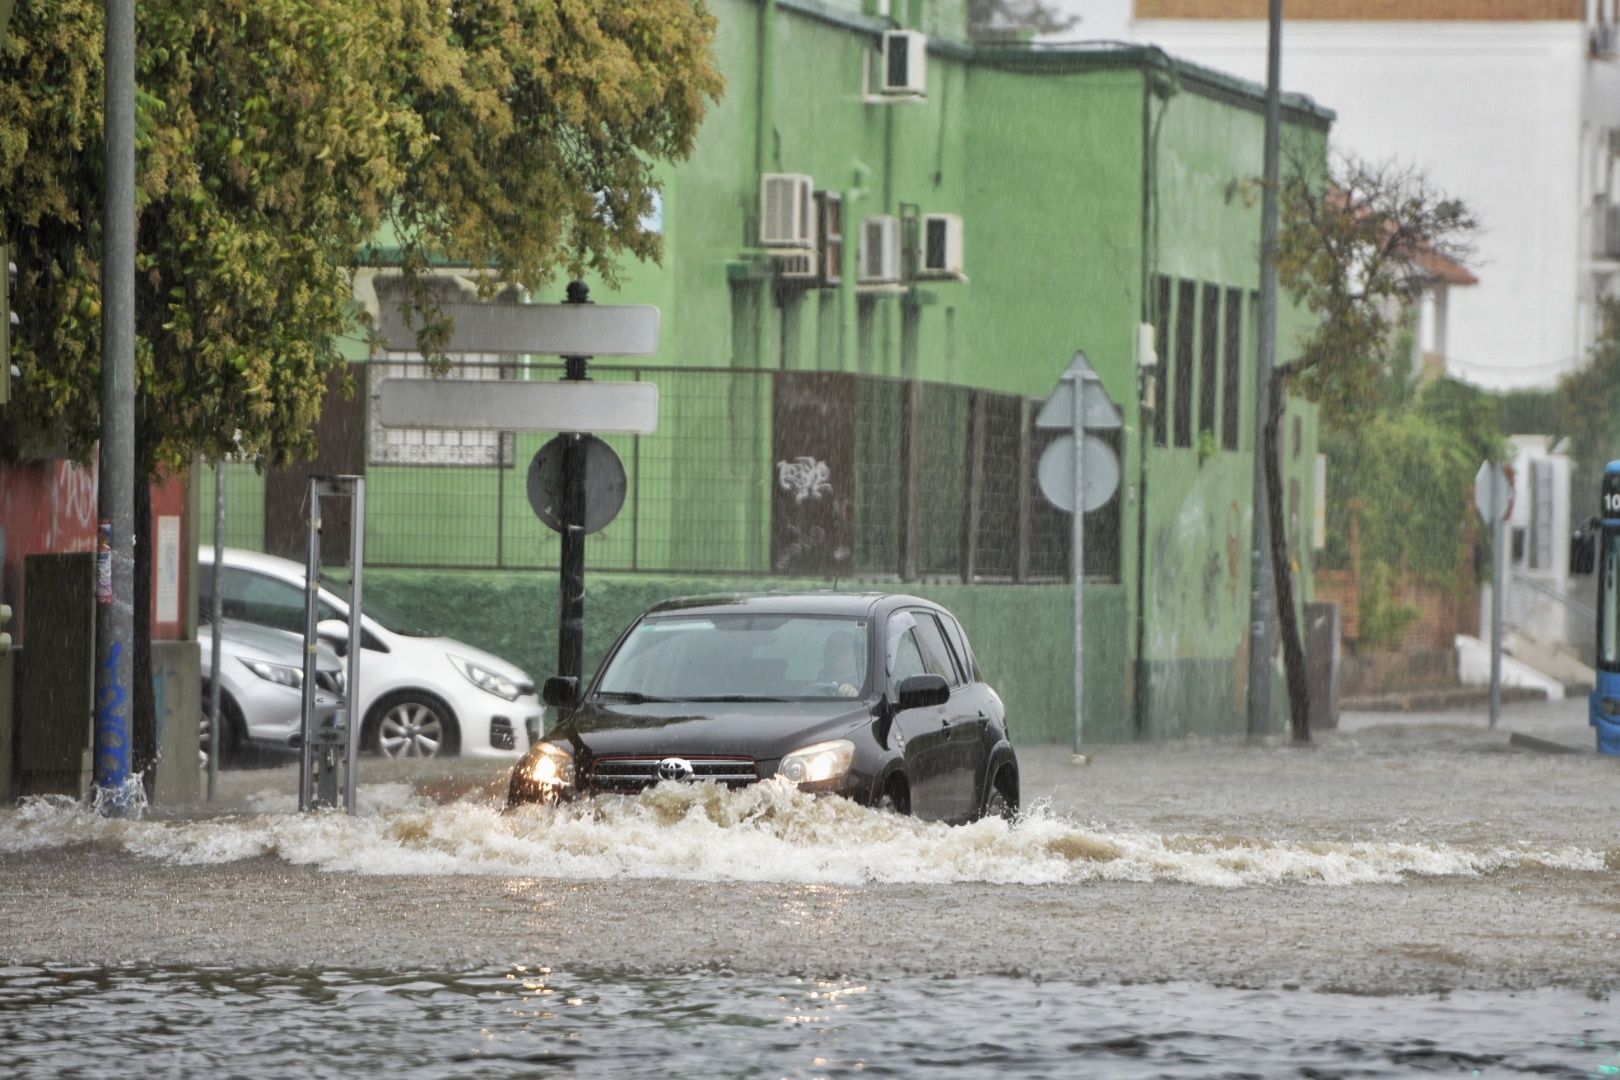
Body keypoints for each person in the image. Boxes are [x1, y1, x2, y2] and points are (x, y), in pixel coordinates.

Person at [819, 630, 864, 697]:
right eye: (829, 647)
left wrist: (854, 695)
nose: (833, 653)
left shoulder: (865, 691)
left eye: (842, 648)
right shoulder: (810, 688)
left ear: (855, 654)